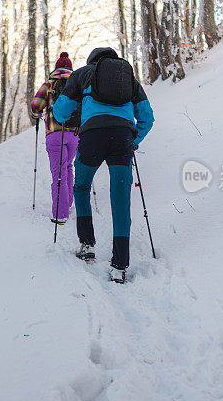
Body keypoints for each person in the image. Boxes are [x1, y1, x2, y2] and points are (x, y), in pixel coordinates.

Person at [52, 47, 154, 283]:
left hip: (93, 136)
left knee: (81, 186)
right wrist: (133, 143)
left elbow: (60, 114)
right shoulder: (128, 78)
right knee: (120, 197)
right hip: (122, 138)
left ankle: (87, 244)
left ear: (92, 62)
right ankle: (119, 265)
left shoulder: (82, 74)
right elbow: (147, 118)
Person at [30, 52, 79, 224]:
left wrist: (37, 114)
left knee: (58, 173)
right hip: (74, 134)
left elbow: (36, 105)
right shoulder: (77, 84)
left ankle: (60, 214)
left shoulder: (49, 84)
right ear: (70, 68)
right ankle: (69, 203)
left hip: (55, 133)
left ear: (57, 68)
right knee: (68, 167)